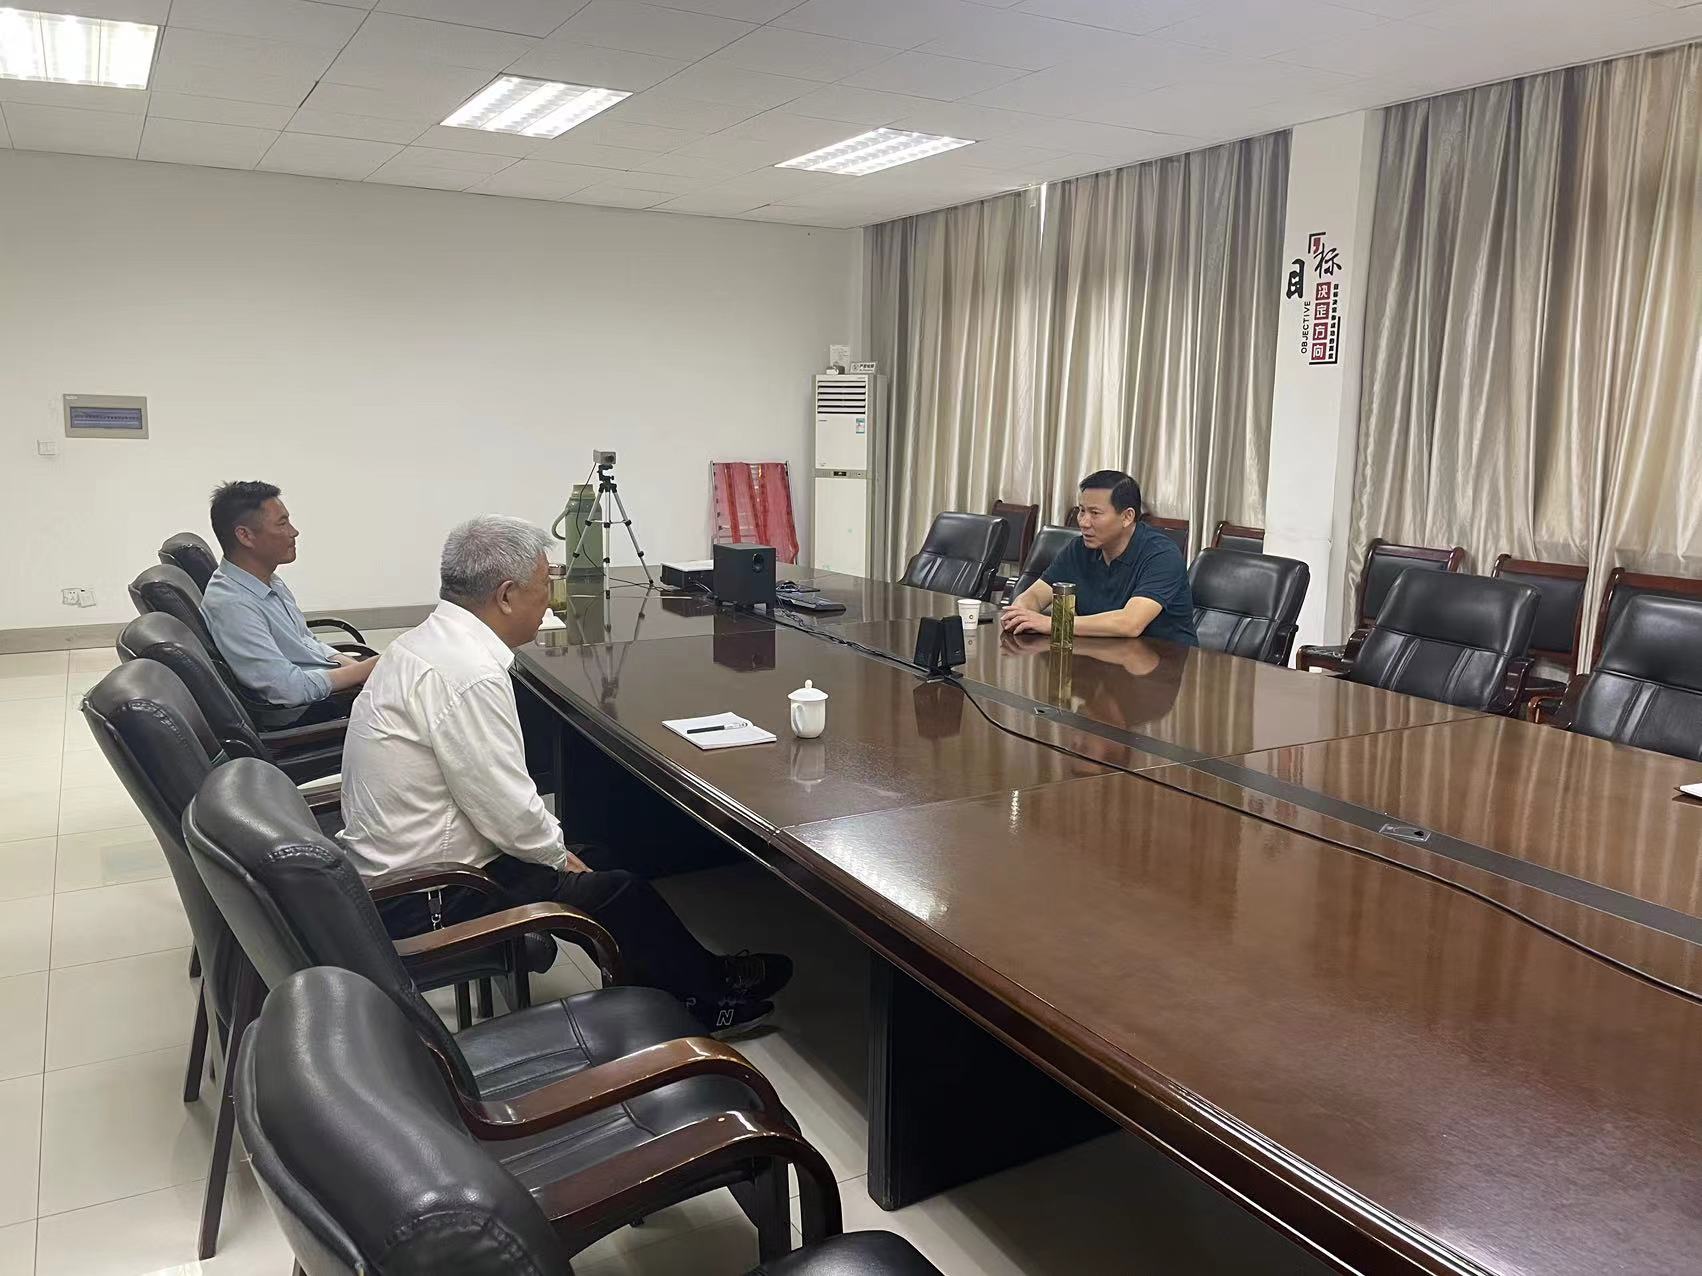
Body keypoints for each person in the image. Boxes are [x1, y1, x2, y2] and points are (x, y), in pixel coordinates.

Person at [337, 514, 791, 1032]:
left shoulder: (427, 641)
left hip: (409, 867)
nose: (551, 601)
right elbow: (506, 808)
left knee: (598, 858)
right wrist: (557, 856)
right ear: (507, 596)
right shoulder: (468, 674)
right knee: (614, 888)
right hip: (430, 893)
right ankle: (703, 1004)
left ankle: (688, 981)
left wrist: (558, 852)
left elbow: (500, 805)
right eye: (545, 584)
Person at [201, 481, 376, 723]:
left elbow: (304, 641)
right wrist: (364, 670)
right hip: (304, 713)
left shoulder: (267, 579)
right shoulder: (232, 605)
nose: (294, 532)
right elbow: (287, 689)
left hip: (324, 687)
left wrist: (351, 665)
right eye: (282, 523)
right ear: (245, 535)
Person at [1001, 470, 1198, 645]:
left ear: (1127, 517)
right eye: (1082, 511)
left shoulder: (1162, 555)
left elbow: (1130, 623)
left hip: (1164, 663)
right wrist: (1020, 613)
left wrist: (1052, 623)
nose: (1084, 522)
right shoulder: (1079, 548)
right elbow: (1036, 595)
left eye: (1095, 513)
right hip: (1102, 657)